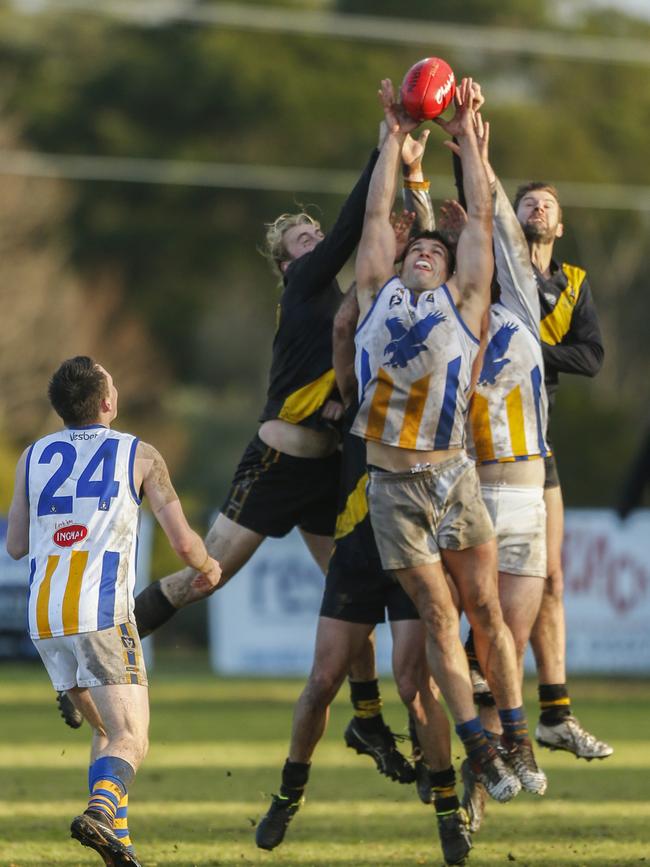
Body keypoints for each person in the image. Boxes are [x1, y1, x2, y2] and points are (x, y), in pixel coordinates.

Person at [351, 75, 546, 804]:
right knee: (437, 615)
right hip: (393, 488)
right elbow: (377, 214)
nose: (427, 252)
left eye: (438, 248)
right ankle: (480, 749)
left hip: (453, 477)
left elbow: (484, 224)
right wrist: (391, 138)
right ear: (399, 263)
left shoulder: (466, 306)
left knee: (486, 610)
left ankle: (517, 734)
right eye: (417, 250)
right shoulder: (377, 294)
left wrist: (467, 144)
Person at [6, 356, 221, 867]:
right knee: (131, 736)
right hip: (100, 613)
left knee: (106, 731)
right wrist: (208, 566)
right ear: (106, 402)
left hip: (43, 618)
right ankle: (101, 811)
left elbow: (15, 545)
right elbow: (183, 542)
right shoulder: (140, 455)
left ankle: (116, 844)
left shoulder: (32, 456)